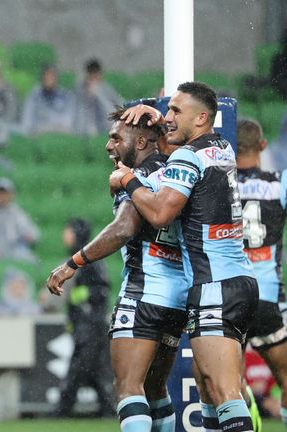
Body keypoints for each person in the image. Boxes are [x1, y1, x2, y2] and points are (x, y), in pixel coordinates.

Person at [109, 82, 258, 432]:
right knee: (209, 389)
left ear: (202, 117)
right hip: (240, 281)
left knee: (222, 390)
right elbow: (186, 147)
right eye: (168, 110)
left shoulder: (188, 157)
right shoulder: (222, 147)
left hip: (214, 285)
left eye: (177, 110)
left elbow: (160, 214)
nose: (169, 116)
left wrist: (129, 178)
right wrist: (164, 123)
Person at [48, 106, 185, 431]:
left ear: (140, 142)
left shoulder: (134, 181)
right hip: (177, 298)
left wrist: (73, 263)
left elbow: (123, 228)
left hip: (143, 293)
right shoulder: (176, 173)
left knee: (128, 388)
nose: (109, 146)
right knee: (154, 388)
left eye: (115, 138)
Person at [236, 118, 287, 428]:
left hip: (228, 299)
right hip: (266, 296)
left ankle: (247, 414)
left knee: (225, 381)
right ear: (263, 146)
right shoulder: (278, 183)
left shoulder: (219, 184)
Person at [52, 219, 113, 418]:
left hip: (91, 326)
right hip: (88, 325)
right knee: (95, 369)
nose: (65, 235)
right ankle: (108, 409)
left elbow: (101, 291)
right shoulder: (82, 258)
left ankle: (63, 410)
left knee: (79, 368)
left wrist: (80, 295)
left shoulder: (87, 259)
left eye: (68, 231)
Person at [19, 64, 75, 135]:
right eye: (47, 75)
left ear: (57, 78)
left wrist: (53, 127)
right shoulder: (33, 96)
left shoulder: (65, 96)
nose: (49, 78)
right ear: (42, 77)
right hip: (38, 134)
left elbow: (68, 121)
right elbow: (27, 122)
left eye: (52, 75)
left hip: (60, 134)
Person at [73, 59, 122, 136]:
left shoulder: (105, 87)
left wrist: (98, 94)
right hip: (87, 127)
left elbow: (119, 103)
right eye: (91, 76)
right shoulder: (81, 88)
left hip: (106, 123)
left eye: (96, 75)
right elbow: (78, 110)